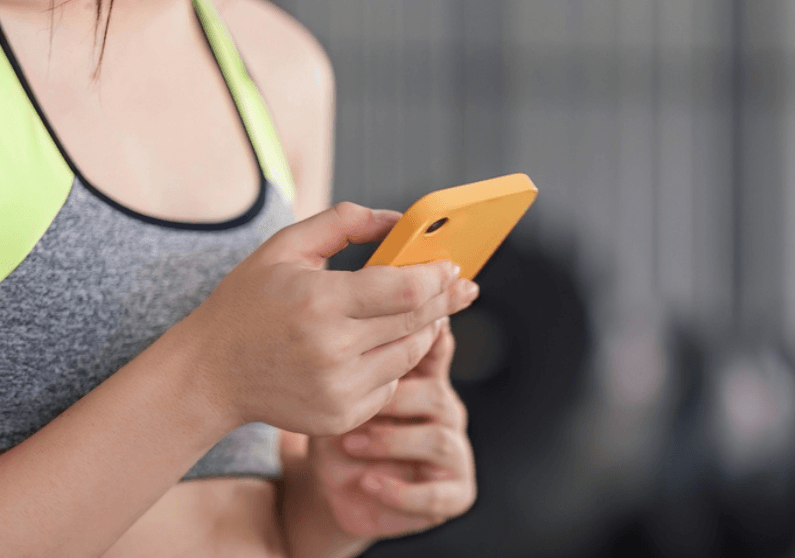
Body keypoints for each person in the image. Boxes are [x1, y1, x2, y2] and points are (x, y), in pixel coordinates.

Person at [0, 0, 480, 556]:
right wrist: (212, 375)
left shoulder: (279, 64)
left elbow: (265, 490)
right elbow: (222, 379)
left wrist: (332, 507)